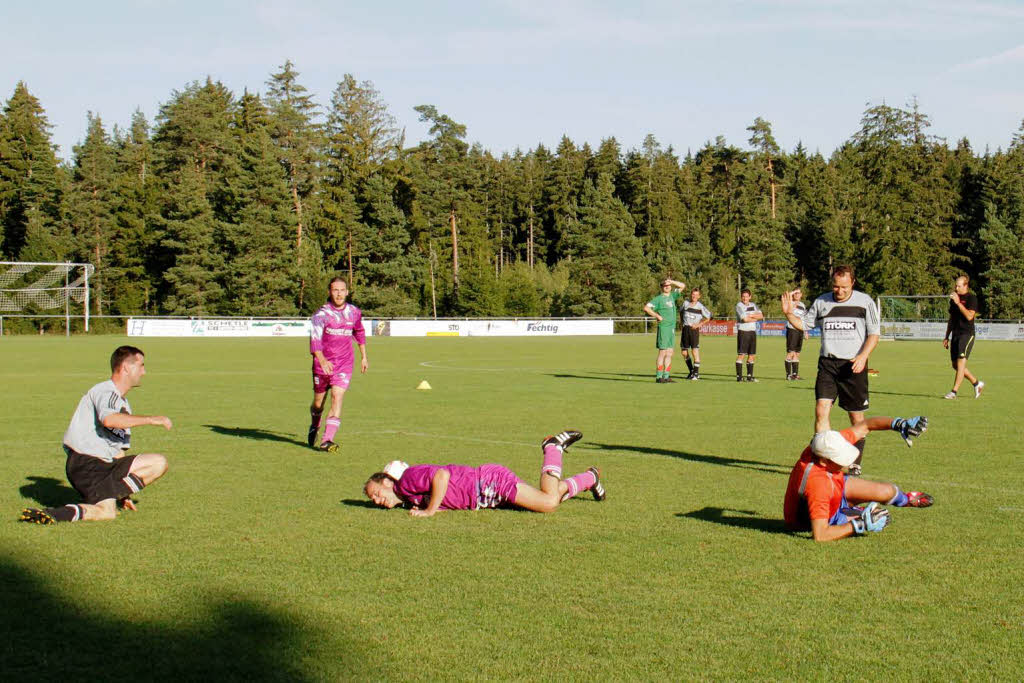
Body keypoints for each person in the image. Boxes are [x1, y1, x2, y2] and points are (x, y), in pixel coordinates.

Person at [19, 346, 173, 525]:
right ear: (125, 368)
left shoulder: (123, 405)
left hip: (104, 467)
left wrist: (124, 494)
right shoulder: (106, 391)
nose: (144, 372)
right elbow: (108, 419)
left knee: (107, 512)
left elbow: (117, 452)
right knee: (158, 462)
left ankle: (54, 514)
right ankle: (105, 494)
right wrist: (151, 419)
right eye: (141, 366)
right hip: (86, 464)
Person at [364, 430, 605, 516]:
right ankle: (590, 478)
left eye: (376, 493)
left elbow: (441, 476)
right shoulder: (408, 497)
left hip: (488, 483)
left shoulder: (405, 481)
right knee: (549, 496)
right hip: (488, 495)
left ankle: (552, 448)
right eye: (372, 499)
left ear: (387, 481)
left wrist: (429, 511)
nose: (376, 500)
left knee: (548, 502)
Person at [781, 265, 880, 474]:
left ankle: (854, 463)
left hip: (853, 365)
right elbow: (804, 324)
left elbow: (874, 334)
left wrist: (863, 356)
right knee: (821, 410)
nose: (839, 291)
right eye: (836, 286)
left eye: (844, 287)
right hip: (827, 364)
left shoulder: (865, 302)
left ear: (852, 282)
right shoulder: (822, 301)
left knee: (856, 419)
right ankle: (823, 461)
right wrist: (789, 313)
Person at [783, 415, 932, 542]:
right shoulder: (818, 485)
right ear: (824, 461)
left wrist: (899, 423)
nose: (848, 462)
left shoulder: (826, 444)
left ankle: (905, 500)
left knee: (888, 491)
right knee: (880, 516)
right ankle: (853, 513)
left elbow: (867, 425)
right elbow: (820, 535)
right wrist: (860, 524)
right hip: (824, 517)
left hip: (835, 489)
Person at [308, 277, 368, 452]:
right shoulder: (321, 315)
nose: (339, 293)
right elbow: (315, 341)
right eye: (335, 290)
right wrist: (322, 360)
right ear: (329, 292)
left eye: (342, 290)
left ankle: (327, 440)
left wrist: (364, 356)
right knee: (318, 404)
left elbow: (359, 332)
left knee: (337, 396)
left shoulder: (354, 312)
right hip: (322, 364)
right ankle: (314, 425)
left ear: (347, 292)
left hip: (344, 363)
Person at [943, 274, 984, 400]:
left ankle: (953, 392)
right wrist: (946, 336)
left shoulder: (972, 298)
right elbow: (952, 319)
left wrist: (958, 303)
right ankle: (977, 383)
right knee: (955, 365)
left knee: (961, 364)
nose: (956, 288)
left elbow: (969, 316)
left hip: (967, 334)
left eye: (959, 286)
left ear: (966, 286)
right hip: (955, 334)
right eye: (955, 285)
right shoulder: (954, 299)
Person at [643, 278, 686, 383]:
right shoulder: (658, 299)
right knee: (662, 352)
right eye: (665, 285)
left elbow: (682, 286)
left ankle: (666, 376)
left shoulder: (672, 296)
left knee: (670, 352)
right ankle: (659, 377)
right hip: (664, 328)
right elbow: (646, 308)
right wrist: (657, 315)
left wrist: (672, 281)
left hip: (671, 328)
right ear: (662, 287)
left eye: (669, 285)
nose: (667, 287)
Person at [680, 288, 712, 380]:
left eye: (696, 295)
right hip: (685, 329)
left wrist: (699, 324)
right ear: (691, 295)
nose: (694, 296)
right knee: (684, 352)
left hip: (694, 330)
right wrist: (682, 322)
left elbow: (709, 317)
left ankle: (696, 374)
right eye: (693, 294)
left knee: (694, 351)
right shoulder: (685, 303)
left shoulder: (700, 306)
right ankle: (691, 372)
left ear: (699, 296)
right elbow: (681, 312)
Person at [734, 289, 763, 382]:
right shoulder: (739, 305)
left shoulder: (753, 305)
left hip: (752, 332)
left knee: (752, 355)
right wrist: (755, 317)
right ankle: (739, 377)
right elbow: (745, 319)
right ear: (741, 297)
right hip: (743, 332)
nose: (745, 298)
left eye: (746, 296)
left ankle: (749, 377)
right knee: (741, 355)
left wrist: (751, 316)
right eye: (743, 296)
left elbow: (761, 316)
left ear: (750, 297)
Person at [784, 288, 808, 380]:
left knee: (797, 353)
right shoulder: (790, 302)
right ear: (793, 294)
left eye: (799, 293)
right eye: (795, 293)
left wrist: (805, 331)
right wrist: (793, 292)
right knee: (790, 352)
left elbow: (804, 319)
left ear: (801, 295)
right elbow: (786, 297)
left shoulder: (802, 305)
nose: (797, 295)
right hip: (792, 329)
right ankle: (788, 375)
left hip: (800, 330)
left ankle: (795, 375)